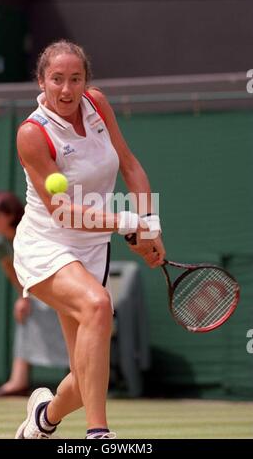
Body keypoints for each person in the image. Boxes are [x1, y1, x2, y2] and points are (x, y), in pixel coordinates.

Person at [13, 40, 166, 439]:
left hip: (91, 248)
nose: (66, 90)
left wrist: (149, 224)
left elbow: (129, 164)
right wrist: (124, 221)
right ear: (41, 81)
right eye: (57, 80)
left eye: (75, 79)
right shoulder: (32, 134)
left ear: (87, 81)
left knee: (84, 382)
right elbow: (62, 211)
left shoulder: (97, 104)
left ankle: (43, 418)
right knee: (98, 305)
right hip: (47, 245)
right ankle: (99, 435)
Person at [0, 191, 69, 397]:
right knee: (26, 312)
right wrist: (24, 297)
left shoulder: (32, 231)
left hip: (59, 277)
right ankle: (18, 381)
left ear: (11, 216)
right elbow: (11, 271)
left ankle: (75, 377)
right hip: (35, 285)